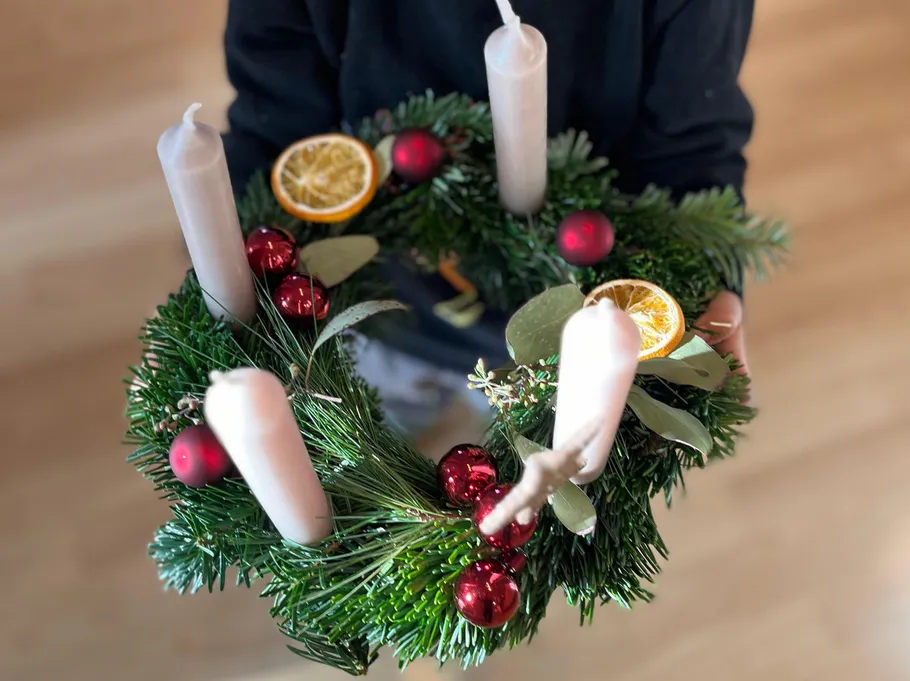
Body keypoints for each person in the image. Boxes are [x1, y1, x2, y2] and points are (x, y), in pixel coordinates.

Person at [221, 0, 754, 434]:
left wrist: (705, 281)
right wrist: (234, 293)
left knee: (535, 475)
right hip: (370, 321)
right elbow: (277, 142)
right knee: (369, 436)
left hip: (564, 346)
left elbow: (691, 154)